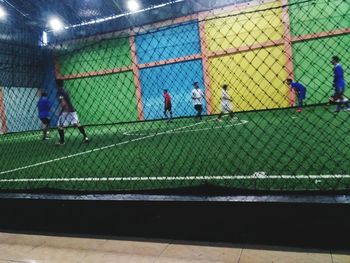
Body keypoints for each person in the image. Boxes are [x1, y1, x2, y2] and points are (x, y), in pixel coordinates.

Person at [55, 79, 89, 145]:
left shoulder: (59, 92)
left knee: (59, 125)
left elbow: (63, 103)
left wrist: (62, 111)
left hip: (66, 111)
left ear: (56, 84)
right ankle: (86, 137)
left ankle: (62, 141)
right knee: (76, 123)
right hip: (72, 110)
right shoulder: (65, 91)